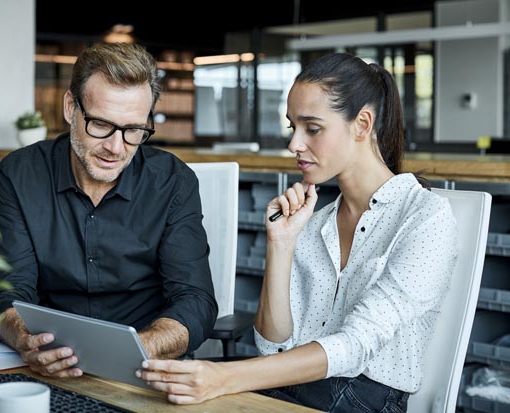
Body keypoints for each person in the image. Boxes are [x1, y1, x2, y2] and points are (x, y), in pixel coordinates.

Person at [138, 53, 458, 413]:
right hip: (297, 388)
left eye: (313, 128)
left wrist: (225, 377)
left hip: (365, 400)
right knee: (162, 397)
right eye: (293, 127)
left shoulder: (425, 217)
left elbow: (355, 346)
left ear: (362, 124)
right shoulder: (315, 222)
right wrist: (281, 244)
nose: (294, 144)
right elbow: (272, 346)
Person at [0, 42, 218, 379]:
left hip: (144, 368)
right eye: (100, 124)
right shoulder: (20, 174)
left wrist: (139, 348)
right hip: (48, 364)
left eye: (133, 131)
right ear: (71, 108)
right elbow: (8, 291)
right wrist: (25, 340)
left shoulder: (173, 183)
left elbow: (195, 300)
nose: (115, 147)